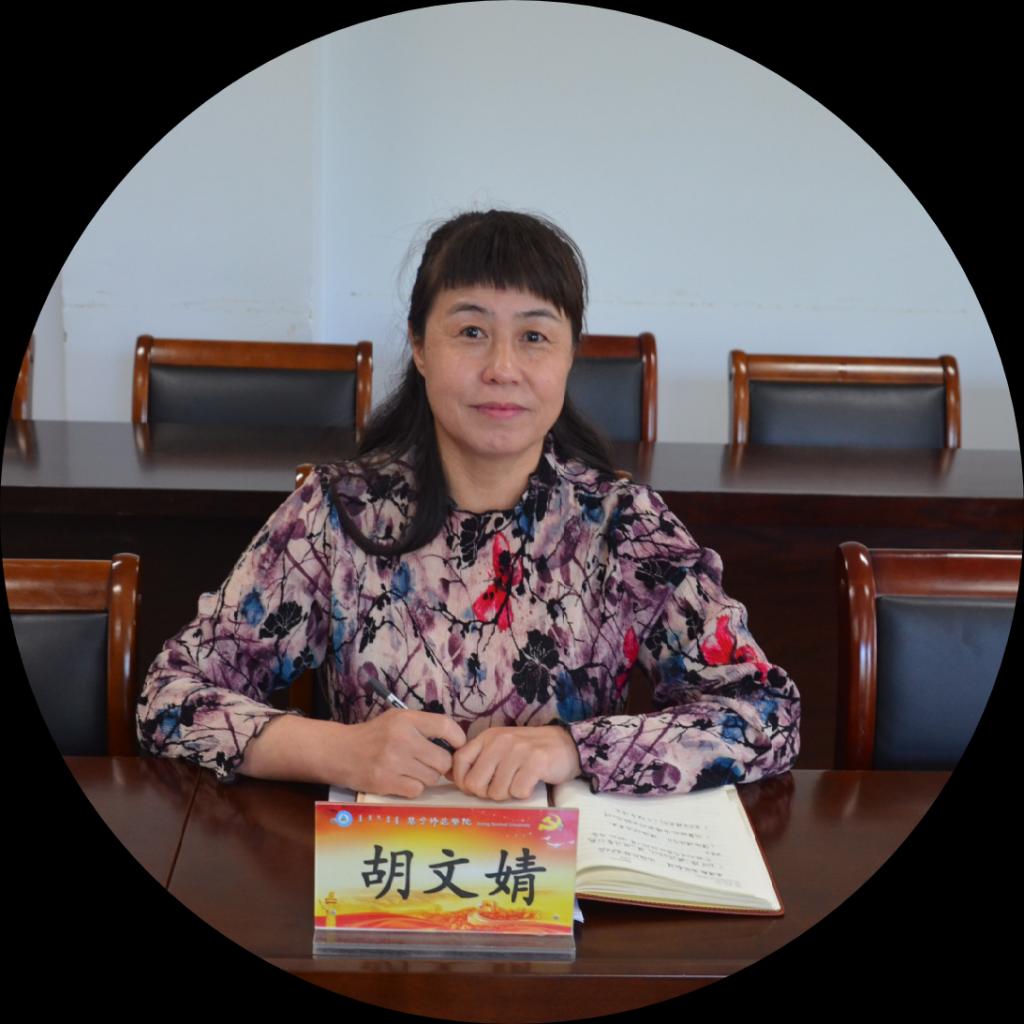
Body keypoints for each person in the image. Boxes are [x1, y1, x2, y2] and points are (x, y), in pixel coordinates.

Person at [137, 209, 800, 800]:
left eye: (535, 337)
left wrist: (570, 748)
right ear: (420, 347)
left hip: (560, 878)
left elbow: (767, 713)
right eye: (471, 331)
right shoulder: (337, 515)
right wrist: (339, 750)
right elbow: (169, 698)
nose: (502, 368)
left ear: (571, 355)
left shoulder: (622, 526)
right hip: (380, 871)